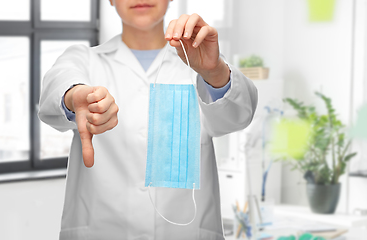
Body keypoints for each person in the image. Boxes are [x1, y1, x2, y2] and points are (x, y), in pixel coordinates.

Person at [38, 0, 258, 239]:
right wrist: (76, 96)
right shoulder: (85, 60)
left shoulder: (203, 62)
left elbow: (237, 116)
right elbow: (57, 85)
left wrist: (214, 72)